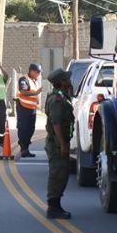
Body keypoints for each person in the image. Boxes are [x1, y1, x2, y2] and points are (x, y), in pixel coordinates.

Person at [44, 68, 75, 220]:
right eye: (67, 79)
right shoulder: (57, 100)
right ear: (61, 82)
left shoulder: (62, 96)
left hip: (60, 141)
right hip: (56, 143)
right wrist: (62, 144)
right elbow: (56, 123)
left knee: (62, 173)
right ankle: (53, 208)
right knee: (57, 174)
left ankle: (56, 205)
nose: (69, 80)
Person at [16, 63, 43, 157]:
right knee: (23, 128)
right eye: (37, 72)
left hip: (32, 109)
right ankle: (24, 149)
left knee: (31, 129)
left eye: (39, 72)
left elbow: (34, 93)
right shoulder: (24, 79)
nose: (38, 74)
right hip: (23, 108)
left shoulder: (34, 80)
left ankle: (26, 147)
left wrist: (37, 100)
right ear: (31, 71)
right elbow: (23, 92)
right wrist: (35, 93)